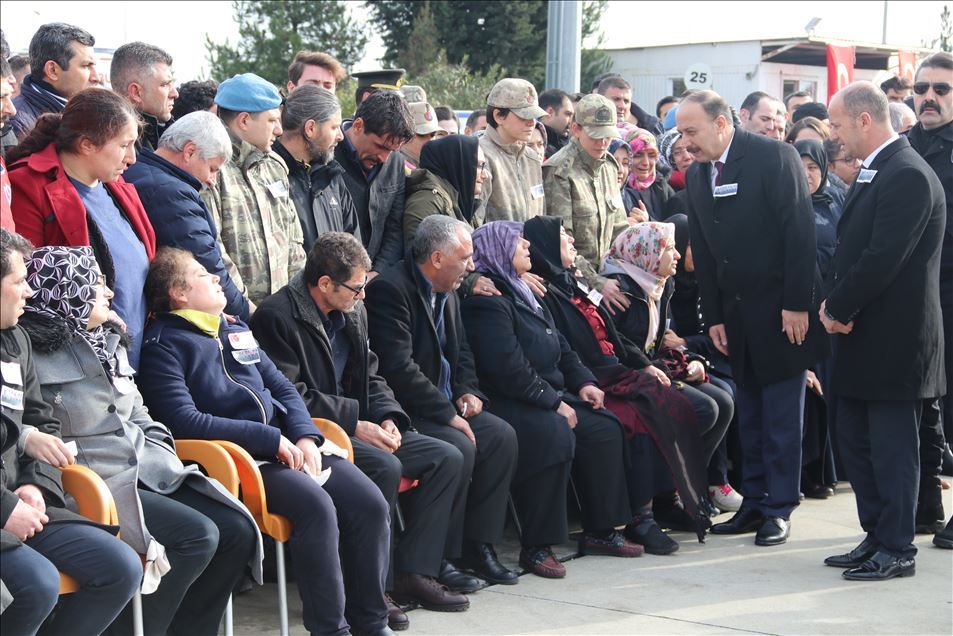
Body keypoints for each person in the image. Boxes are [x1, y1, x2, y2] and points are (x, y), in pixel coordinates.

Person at [138, 247, 394, 635]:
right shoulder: (164, 344)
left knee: (369, 502)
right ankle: (331, 629)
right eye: (201, 275)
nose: (214, 277)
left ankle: (371, 623)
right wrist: (269, 438)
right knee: (317, 507)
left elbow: (284, 389)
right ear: (178, 294)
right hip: (241, 460)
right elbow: (182, 420)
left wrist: (307, 435)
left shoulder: (235, 327)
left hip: (288, 445)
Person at [20, 244, 261, 635]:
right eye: (96, 283)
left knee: (237, 530)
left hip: (147, 465)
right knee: (197, 534)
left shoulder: (110, 340)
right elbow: (39, 430)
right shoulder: (34, 354)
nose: (109, 293)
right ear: (68, 289)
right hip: (95, 479)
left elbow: (142, 415)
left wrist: (162, 451)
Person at [249, 234, 473, 623]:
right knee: (385, 467)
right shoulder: (276, 316)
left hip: (360, 423)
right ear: (324, 284)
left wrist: (389, 416)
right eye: (356, 287)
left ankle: (415, 571)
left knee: (445, 456)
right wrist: (355, 421)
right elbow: (290, 396)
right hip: (321, 431)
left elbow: (372, 374)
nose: (363, 295)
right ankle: (371, 591)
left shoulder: (352, 308)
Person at [677, 90, 829, 546]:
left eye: (692, 131)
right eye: (681, 133)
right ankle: (756, 502)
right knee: (753, 417)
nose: (685, 142)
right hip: (737, 317)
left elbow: (798, 231)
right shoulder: (699, 175)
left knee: (783, 415)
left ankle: (780, 507)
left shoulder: (774, 156)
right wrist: (714, 317)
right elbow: (703, 252)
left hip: (784, 312)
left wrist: (797, 303)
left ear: (722, 124)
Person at [522, 215, 718, 554]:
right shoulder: (546, 291)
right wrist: (598, 376)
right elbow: (569, 349)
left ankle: (665, 500)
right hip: (594, 375)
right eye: (562, 235)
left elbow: (614, 338)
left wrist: (644, 366)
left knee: (690, 407)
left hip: (613, 368)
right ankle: (641, 518)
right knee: (640, 418)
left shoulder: (576, 281)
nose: (570, 238)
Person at [461, 220, 642, 576]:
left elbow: (561, 346)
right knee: (553, 432)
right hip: (512, 399)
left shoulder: (526, 290)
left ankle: (601, 530)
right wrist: (552, 401)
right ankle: (536, 545)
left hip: (548, 393)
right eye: (517, 242)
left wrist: (584, 382)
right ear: (499, 249)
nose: (527, 245)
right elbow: (507, 368)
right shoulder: (489, 302)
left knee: (604, 426)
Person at [821, 81, 946, 580]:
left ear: (864, 121)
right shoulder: (881, 169)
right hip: (860, 335)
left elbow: (882, 258)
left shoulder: (908, 174)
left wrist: (836, 305)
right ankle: (876, 534)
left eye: (837, 124)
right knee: (856, 440)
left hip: (894, 341)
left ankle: (897, 546)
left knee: (894, 450)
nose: (833, 134)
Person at [365, 216, 520, 588]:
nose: (471, 266)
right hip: (411, 409)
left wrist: (469, 391)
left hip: (448, 402)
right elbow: (399, 368)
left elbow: (461, 350)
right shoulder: (392, 289)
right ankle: (437, 559)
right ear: (436, 258)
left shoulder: (447, 289)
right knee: (458, 447)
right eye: (465, 258)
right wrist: (448, 414)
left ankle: (477, 547)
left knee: (501, 437)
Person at [0, 229, 141, 636]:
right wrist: (8, 508)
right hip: (5, 509)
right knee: (38, 584)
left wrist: (36, 488)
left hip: (24, 502)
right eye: (18, 282)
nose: (28, 292)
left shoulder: (16, 339)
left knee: (119, 566)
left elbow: (42, 422)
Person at [7, 89, 155, 368]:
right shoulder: (29, 185)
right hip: (79, 364)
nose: (132, 158)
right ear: (87, 144)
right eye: (124, 145)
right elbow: (31, 286)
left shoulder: (117, 187)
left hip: (135, 357)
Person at [123, 110, 250, 320]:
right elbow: (207, 263)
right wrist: (245, 314)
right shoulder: (172, 194)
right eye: (212, 168)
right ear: (189, 151)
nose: (212, 180)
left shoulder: (140, 173)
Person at [202, 73, 306, 306]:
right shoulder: (211, 167)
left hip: (282, 313)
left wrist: (296, 304)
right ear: (244, 121)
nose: (279, 130)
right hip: (237, 314)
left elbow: (293, 241)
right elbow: (213, 249)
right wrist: (246, 308)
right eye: (272, 121)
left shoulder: (274, 166)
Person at [905, 52, 953, 548]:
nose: (929, 98)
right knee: (918, 407)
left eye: (941, 89)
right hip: (916, 299)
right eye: (922, 89)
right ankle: (924, 507)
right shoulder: (902, 147)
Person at [543, 94, 629, 304]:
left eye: (607, 137)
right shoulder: (560, 171)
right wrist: (597, 282)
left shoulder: (609, 166)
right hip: (575, 284)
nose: (602, 144)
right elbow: (563, 241)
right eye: (595, 136)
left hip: (609, 276)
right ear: (576, 129)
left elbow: (620, 227)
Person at [334, 89, 415, 275]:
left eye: (393, 151)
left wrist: (377, 272)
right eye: (380, 146)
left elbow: (394, 226)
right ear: (358, 125)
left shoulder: (395, 161)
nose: (384, 158)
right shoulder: (328, 156)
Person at [271, 84, 359, 252]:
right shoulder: (270, 176)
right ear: (310, 128)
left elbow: (353, 245)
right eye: (334, 127)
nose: (341, 136)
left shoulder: (332, 176)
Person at [10, 23, 99, 140]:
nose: (96, 77)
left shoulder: (81, 111)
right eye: (86, 65)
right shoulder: (19, 125)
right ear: (52, 70)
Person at [478, 78, 547, 224]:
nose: (531, 122)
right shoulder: (480, 156)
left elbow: (541, 214)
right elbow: (475, 219)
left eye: (534, 116)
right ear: (498, 116)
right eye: (524, 115)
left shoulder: (531, 158)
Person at [110, 42, 178, 150]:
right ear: (136, 92)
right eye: (165, 84)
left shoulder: (171, 134)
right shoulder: (117, 151)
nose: (175, 94)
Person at [621, 127, 675, 221]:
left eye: (651, 155)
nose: (646, 162)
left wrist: (648, 221)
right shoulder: (618, 191)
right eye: (638, 155)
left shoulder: (661, 186)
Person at [398, 102, 440, 171]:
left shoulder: (434, 165)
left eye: (433, 134)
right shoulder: (395, 166)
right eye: (422, 135)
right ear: (403, 135)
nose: (430, 141)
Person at [539, 88, 574, 157]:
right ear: (550, 112)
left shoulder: (568, 145)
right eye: (568, 114)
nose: (572, 121)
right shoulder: (535, 146)